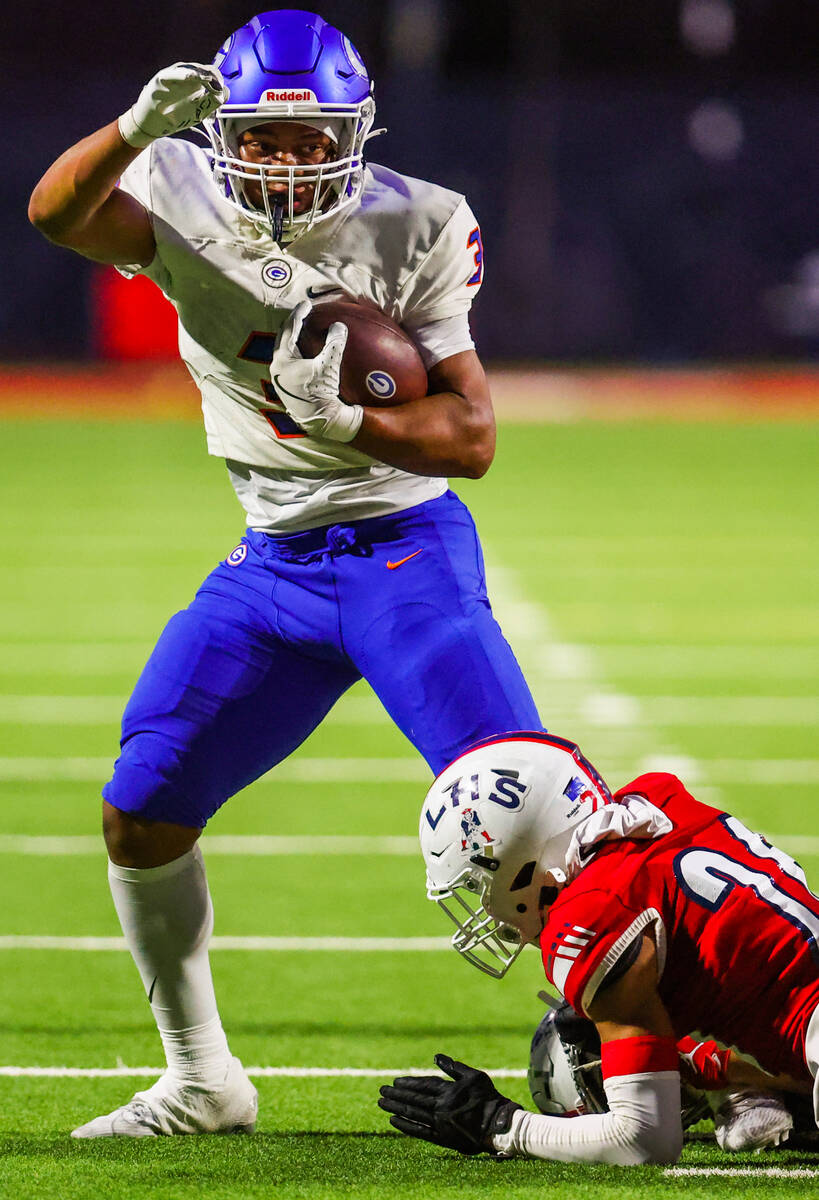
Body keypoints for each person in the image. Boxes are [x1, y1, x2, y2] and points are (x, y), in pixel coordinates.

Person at [28, 10, 542, 1138]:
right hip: (269, 566)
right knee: (141, 813)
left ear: (355, 131)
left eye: (316, 137)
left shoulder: (417, 220)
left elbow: (472, 439)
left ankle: (674, 1054)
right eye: (267, 135)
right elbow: (55, 213)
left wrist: (353, 423)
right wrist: (126, 129)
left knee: (531, 820)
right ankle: (203, 1079)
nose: (292, 158)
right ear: (225, 130)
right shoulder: (173, 181)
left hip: (404, 549)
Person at [378, 732, 819, 1164]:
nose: (486, 910)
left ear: (518, 863)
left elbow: (644, 1139)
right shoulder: (656, 806)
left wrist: (500, 1125)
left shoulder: (591, 918)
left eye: (478, 884)